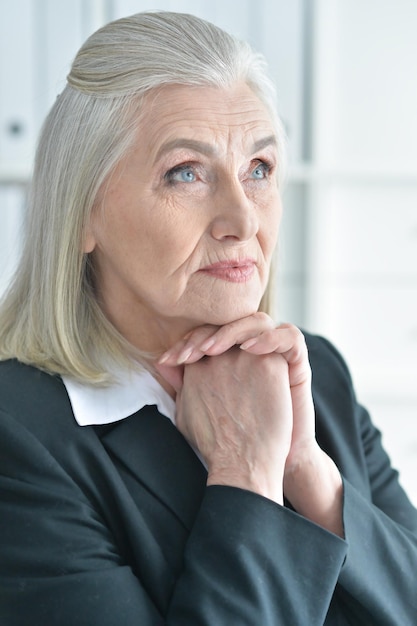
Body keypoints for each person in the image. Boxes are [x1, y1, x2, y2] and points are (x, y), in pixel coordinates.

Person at [0, 10, 416, 625]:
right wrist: (247, 475)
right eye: (186, 173)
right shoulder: (19, 435)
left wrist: (307, 472)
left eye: (259, 170)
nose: (243, 220)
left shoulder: (316, 372)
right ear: (82, 212)